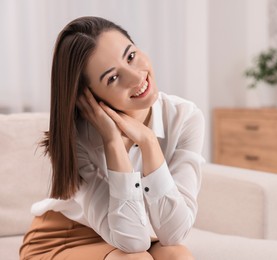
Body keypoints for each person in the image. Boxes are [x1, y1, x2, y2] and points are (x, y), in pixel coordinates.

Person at [19, 16, 204, 260]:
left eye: (130, 56)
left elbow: (175, 233)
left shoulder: (185, 117)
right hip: (62, 238)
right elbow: (132, 243)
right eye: (113, 78)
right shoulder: (76, 138)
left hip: (132, 236)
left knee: (177, 255)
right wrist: (113, 142)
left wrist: (148, 143)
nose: (137, 78)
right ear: (89, 96)